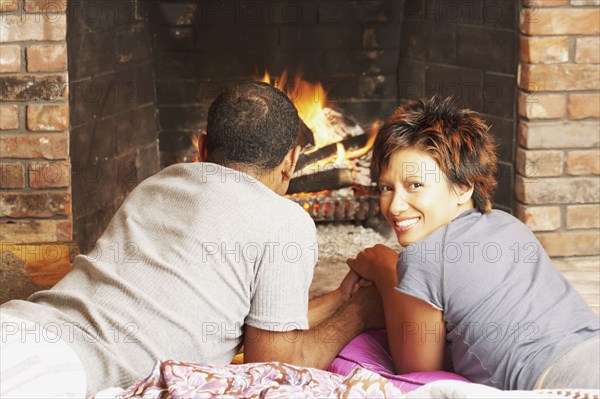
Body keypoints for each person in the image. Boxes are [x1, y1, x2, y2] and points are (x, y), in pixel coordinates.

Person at [1, 82, 383, 397]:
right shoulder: (286, 221)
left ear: (202, 147)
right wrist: (361, 312)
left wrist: (337, 300)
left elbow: (254, 328)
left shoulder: (158, 183)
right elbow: (271, 364)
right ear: (291, 162)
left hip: (22, 324)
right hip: (65, 374)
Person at [347, 96, 600, 390]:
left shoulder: (422, 258)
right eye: (387, 188)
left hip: (566, 384)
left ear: (463, 187)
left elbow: (418, 373)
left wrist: (383, 268)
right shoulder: (510, 225)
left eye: (415, 185)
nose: (394, 206)